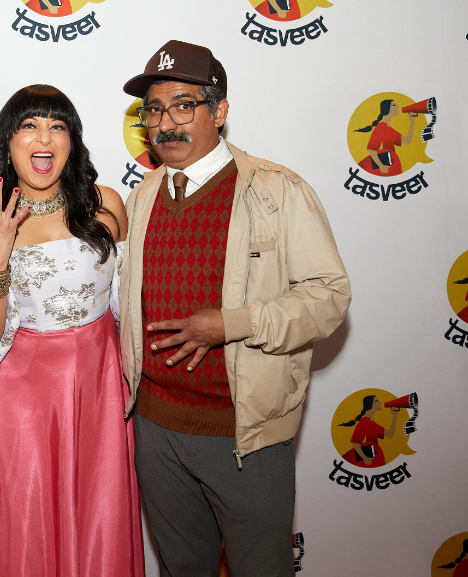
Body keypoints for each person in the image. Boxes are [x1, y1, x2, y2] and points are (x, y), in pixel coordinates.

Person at [120, 40, 351, 577]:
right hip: (155, 429)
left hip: (244, 432)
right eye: (153, 109)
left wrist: (234, 323)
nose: (165, 123)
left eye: (183, 105)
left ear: (218, 111)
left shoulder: (278, 190)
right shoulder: (142, 195)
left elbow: (329, 297)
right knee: (182, 568)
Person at [0, 84, 144, 576]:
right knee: (22, 520)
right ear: (7, 143)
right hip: (17, 395)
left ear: (72, 140)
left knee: (98, 515)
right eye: (28, 125)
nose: (43, 138)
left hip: (98, 385)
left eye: (57, 126)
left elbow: (130, 305)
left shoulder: (107, 205)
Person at [354, 99, 419, 177]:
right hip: (382, 167)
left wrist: (412, 121)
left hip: (391, 165)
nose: (398, 107)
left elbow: (407, 141)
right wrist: (381, 166)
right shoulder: (381, 127)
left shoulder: (389, 129)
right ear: (387, 109)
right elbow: (371, 150)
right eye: (394, 105)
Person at [338, 395, 402, 468]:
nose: (380, 402)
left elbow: (390, 434)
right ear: (370, 404)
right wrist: (364, 458)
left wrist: (394, 416)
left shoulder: (373, 423)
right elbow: (355, 443)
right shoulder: (364, 421)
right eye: (376, 401)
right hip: (366, 460)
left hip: (374, 457)